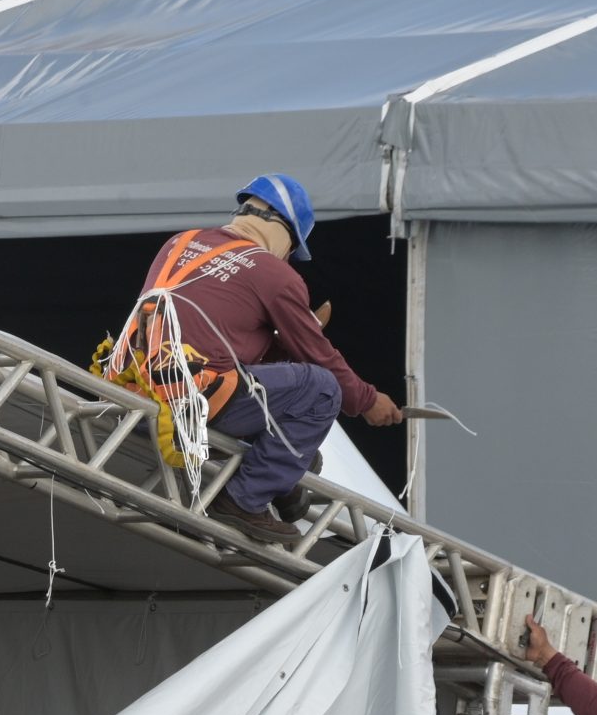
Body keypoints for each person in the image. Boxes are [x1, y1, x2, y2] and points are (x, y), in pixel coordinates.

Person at [114, 174, 402, 540]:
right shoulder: (274, 274)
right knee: (322, 390)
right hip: (190, 407)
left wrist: (276, 341)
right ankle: (243, 501)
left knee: (294, 442)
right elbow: (317, 356)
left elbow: (219, 339)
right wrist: (367, 400)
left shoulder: (180, 241)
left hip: (134, 400)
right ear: (285, 232)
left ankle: (284, 484)